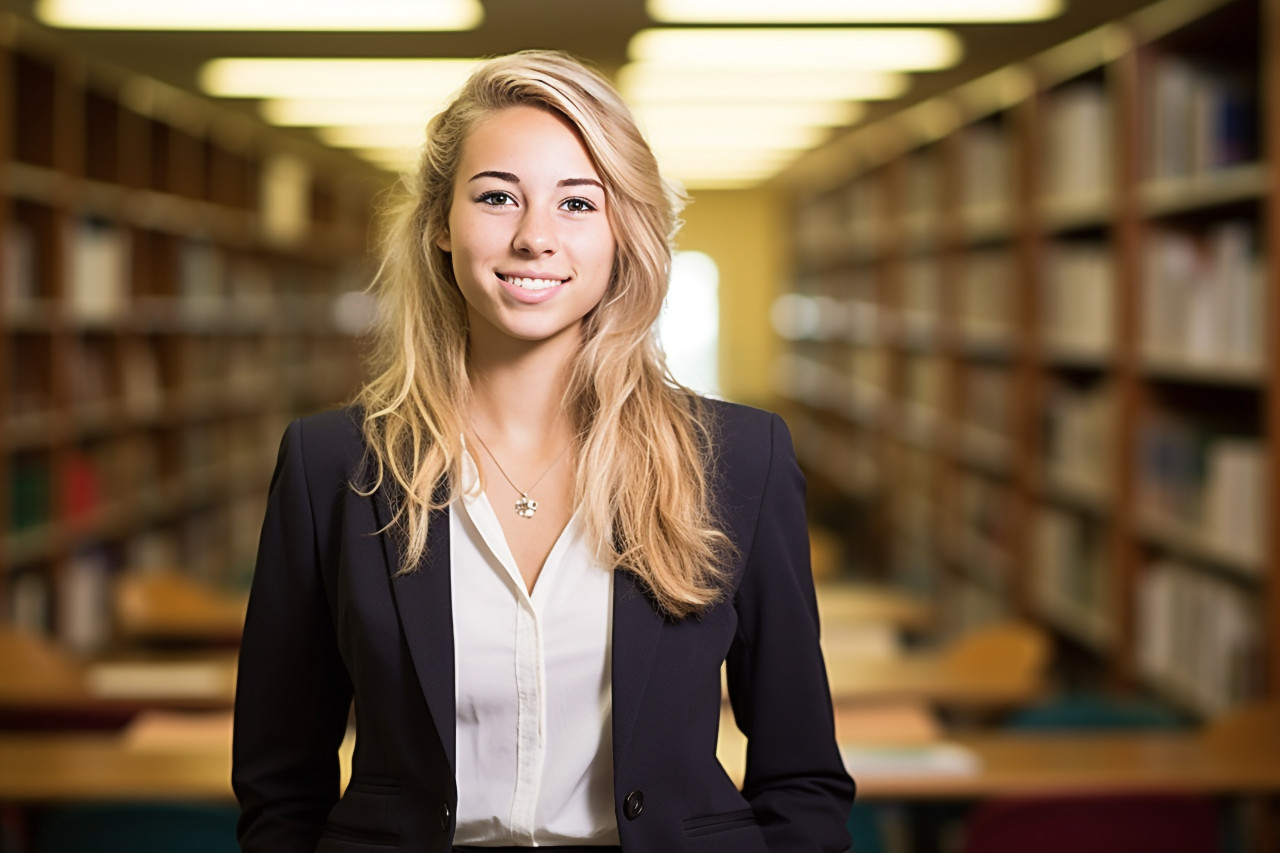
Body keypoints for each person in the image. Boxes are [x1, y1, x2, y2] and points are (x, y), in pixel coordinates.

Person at [232, 50, 855, 853]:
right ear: (440, 227)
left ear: (622, 232)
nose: (534, 237)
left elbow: (803, 777)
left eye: (577, 203)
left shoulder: (739, 458)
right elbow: (280, 782)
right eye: (497, 197)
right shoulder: (331, 465)